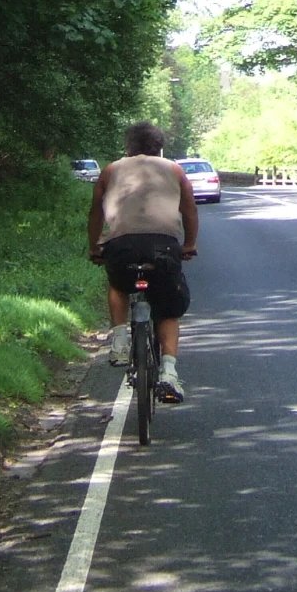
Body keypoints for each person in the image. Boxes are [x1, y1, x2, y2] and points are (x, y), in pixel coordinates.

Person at [87, 121, 199, 402]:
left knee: (118, 283)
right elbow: (189, 212)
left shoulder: (111, 170)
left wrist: (94, 248)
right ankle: (169, 373)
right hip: (164, 247)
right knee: (168, 309)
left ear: (128, 145)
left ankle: (121, 341)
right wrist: (189, 244)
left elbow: (96, 212)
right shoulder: (175, 170)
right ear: (158, 145)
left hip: (121, 246)